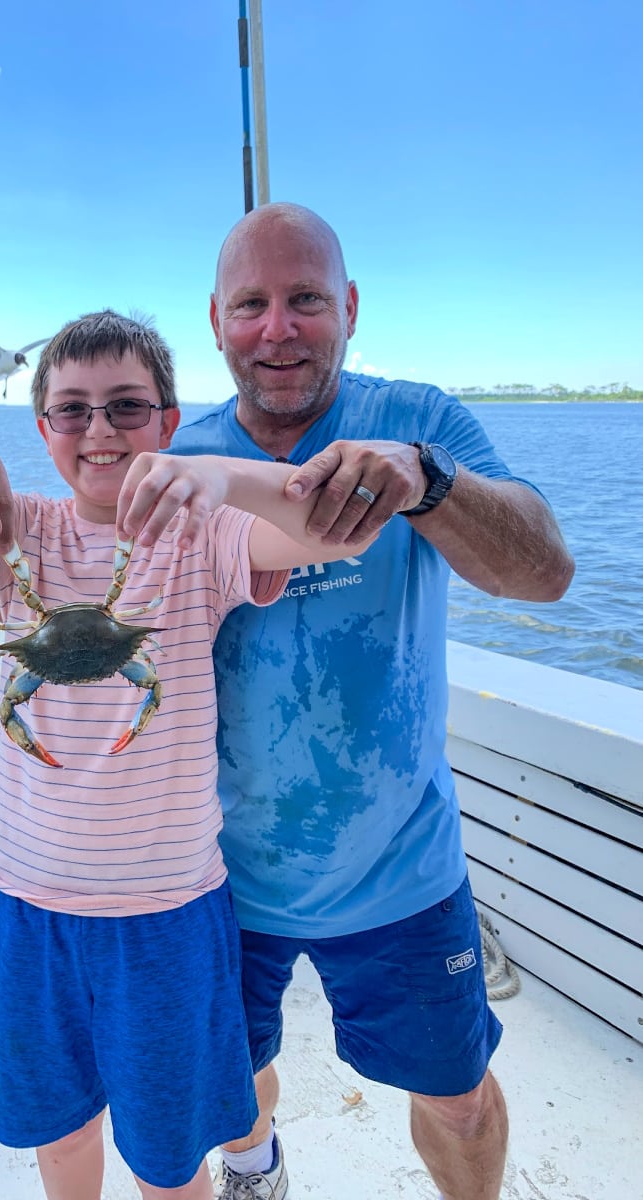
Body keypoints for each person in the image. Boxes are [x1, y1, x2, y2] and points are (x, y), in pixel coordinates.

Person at [0, 309, 378, 1200]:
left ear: (166, 421)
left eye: (127, 406)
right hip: (30, 903)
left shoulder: (199, 533)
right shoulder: (9, 536)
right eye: (72, 410)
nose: (100, 429)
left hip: (167, 912)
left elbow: (335, 528)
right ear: (42, 428)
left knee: (167, 1147)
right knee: (62, 1130)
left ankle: (249, 1163)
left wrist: (212, 474)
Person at [169, 203, 575, 1200]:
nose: (279, 328)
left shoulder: (420, 422)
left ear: (347, 307)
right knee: (234, 1075)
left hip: (403, 867)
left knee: (460, 1099)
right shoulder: (180, 454)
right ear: (215, 320)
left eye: (305, 299)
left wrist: (429, 484)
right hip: (214, 871)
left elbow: (544, 571)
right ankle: (256, 1170)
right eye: (252, 304)